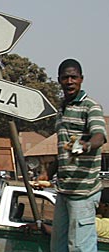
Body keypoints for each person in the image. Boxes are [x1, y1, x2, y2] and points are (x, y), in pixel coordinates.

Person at [39, 59, 107, 252]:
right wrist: (48, 172)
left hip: (83, 193)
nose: (69, 81)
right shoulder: (61, 110)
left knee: (80, 247)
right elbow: (62, 150)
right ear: (59, 80)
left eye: (73, 77)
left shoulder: (90, 106)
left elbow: (99, 136)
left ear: (81, 79)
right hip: (64, 191)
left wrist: (85, 145)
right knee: (58, 246)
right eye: (65, 77)